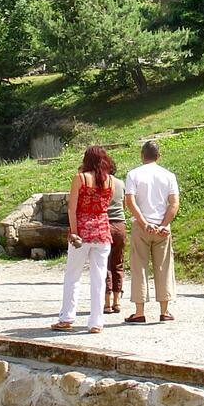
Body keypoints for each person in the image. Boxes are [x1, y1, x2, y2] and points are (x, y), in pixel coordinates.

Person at [51, 146, 114, 334]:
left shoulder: (80, 178)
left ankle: (67, 317)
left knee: (73, 276)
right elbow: (105, 206)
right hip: (103, 231)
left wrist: (74, 232)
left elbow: (72, 208)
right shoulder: (110, 180)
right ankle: (96, 322)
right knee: (99, 278)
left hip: (83, 231)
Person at [123, 140, 179, 324]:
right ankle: (165, 310)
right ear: (158, 156)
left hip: (142, 226)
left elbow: (130, 201)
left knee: (139, 266)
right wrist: (163, 224)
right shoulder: (168, 175)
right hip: (162, 228)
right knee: (163, 266)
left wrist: (144, 222)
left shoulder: (134, 174)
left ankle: (139, 311)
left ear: (142, 155)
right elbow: (174, 203)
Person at [103, 169, 126, 314]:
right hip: (120, 225)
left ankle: (106, 302)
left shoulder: (100, 184)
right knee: (118, 262)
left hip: (104, 224)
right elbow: (124, 205)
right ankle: (117, 301)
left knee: (105, 264)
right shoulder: (120, 183)